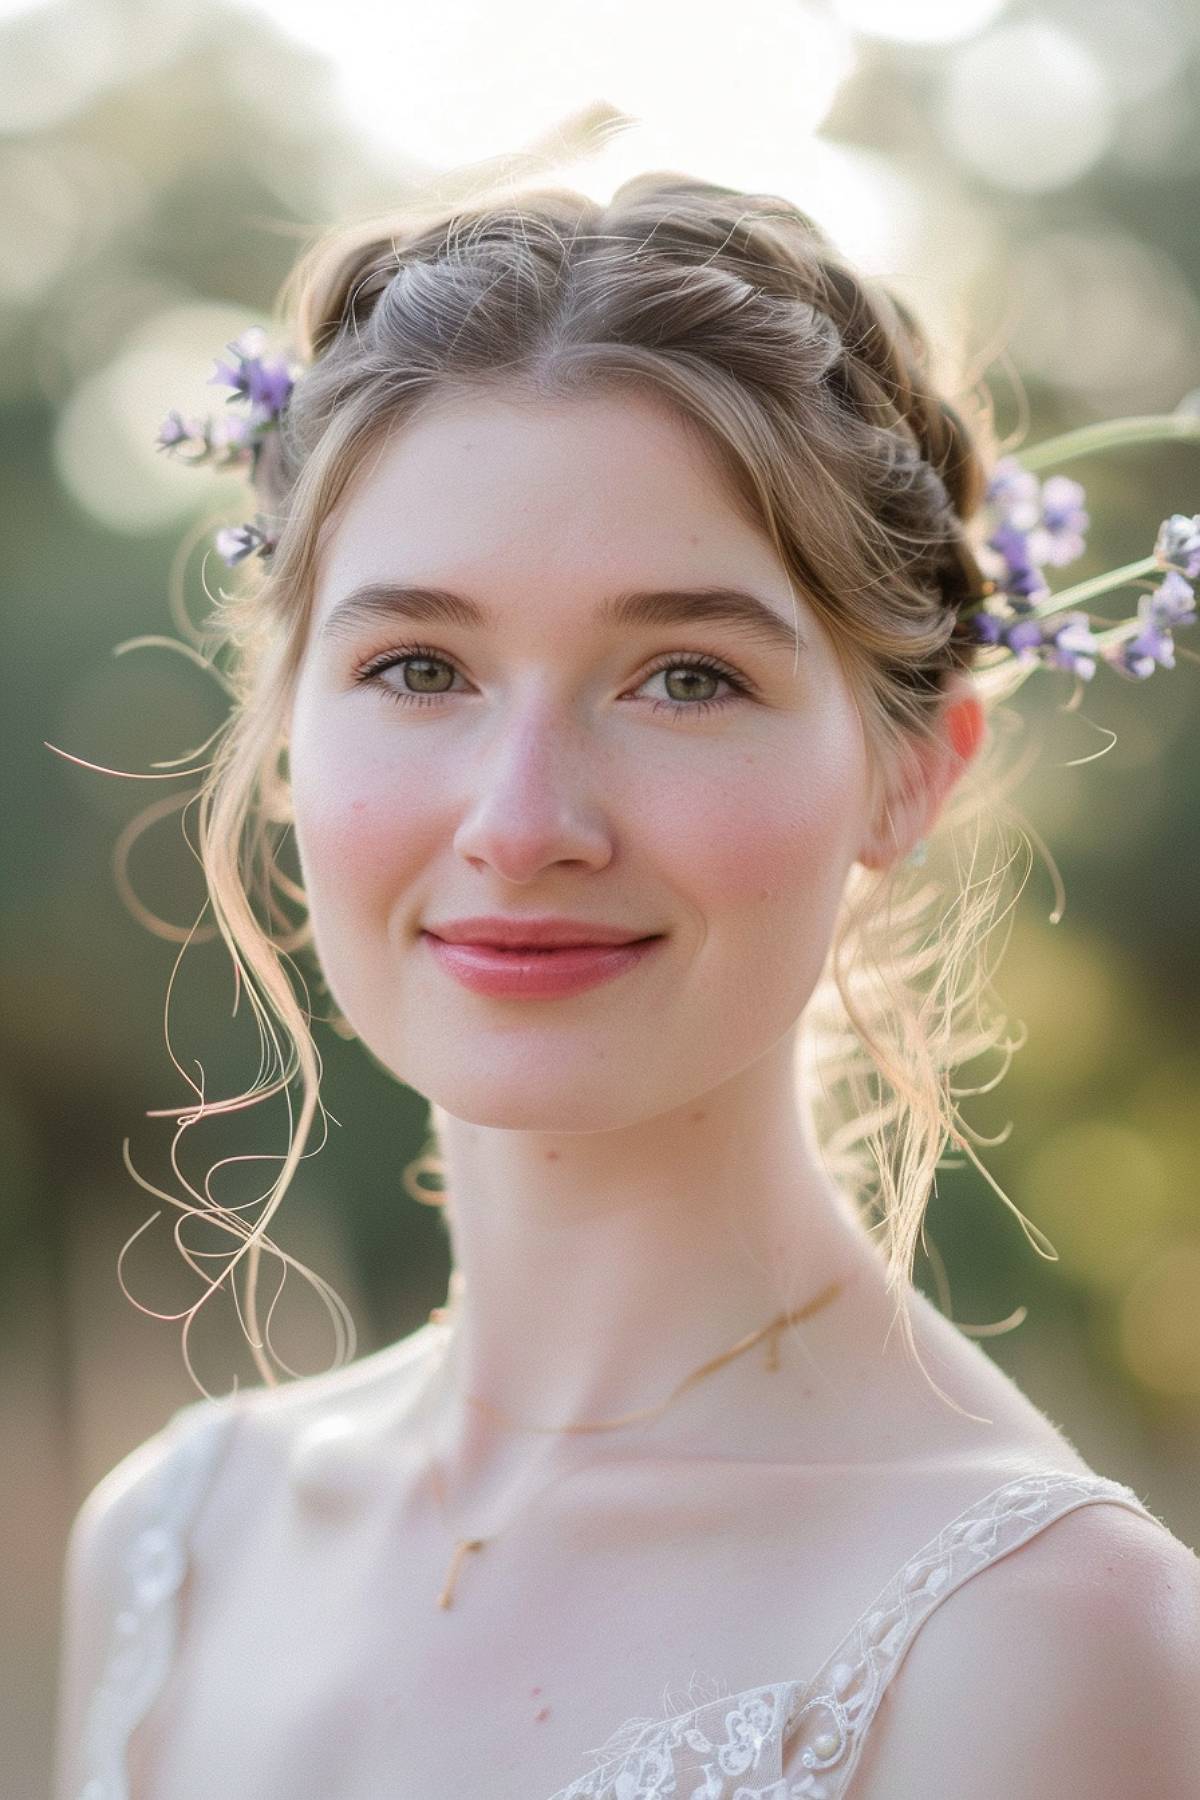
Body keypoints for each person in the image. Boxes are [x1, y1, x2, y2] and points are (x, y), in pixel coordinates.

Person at [54, 175, 1200, 1800]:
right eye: (418, 668)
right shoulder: (174, 1549)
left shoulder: (1041, 1646)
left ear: (910, 777)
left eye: (685, 677)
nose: (522, 825)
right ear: (287, 730)